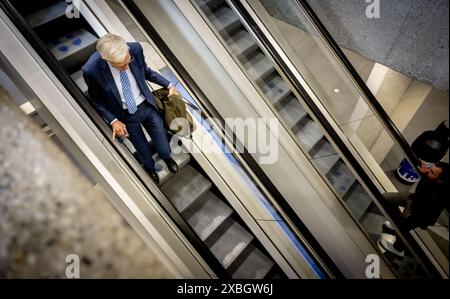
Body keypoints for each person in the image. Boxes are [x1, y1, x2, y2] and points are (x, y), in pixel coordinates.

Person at [82, 34, 178, 183]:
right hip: (125, 116)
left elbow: (145, 71)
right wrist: (113, 120)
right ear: (107, 60)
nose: (127, 67)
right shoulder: (91, 70)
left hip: (147, 106)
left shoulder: (135, 49)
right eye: (121, 66)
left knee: (164, 146)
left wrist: (168, 84)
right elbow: (95, 99)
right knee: (143, 152)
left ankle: (166, 157)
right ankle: (150, 168)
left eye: (128, 62)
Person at [379, 161, 449, 257]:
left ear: (440, 181)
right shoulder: (431, 179)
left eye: (432, 172)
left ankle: (398, 249)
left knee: (404, 229)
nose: (428, 171)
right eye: (430, 168)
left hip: (420, 213)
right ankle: (397, 223)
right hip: (413, 199)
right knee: (385, 198)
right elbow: (419, 190)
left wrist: (424, 176)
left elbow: (423, 198)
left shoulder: (440, 194)